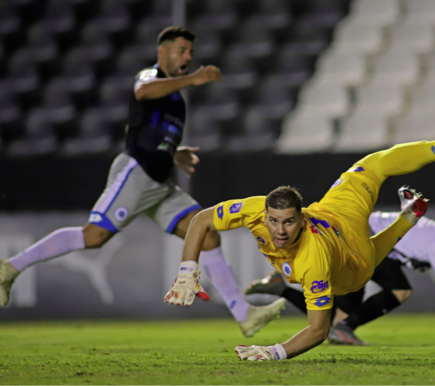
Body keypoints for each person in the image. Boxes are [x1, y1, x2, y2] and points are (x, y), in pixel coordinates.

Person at [0, 26, 285, 337]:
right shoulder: (150, 76)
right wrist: (193, 79)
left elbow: (141, 129)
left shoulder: (175, 99)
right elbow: (142, 93)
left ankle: (244, 315)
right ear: (162, 51)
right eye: (181, 50)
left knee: (208, 236)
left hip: (160, 181)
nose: (187, 56)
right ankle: (10, 268)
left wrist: (174, 154)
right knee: (94, 237)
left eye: (190, 51)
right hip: (137, 173)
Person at [164, 105, 435, 361]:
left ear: (301, 218)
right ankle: (428, 190)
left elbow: (318, 330)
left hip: (350, 260)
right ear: (264, 213)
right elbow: (202, 219)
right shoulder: (256, 209)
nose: (280, 229)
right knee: (373, 172)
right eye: (274, 220)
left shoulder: (313, 260)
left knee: (369, 237)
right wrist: (187, 269)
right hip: (334, 215)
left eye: (289, 222)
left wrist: (274, 352)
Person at [248, 206, 435, 345]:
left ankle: (284, 290)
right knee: (398, 293)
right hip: (362, 240)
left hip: (379, 247)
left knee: (335, 316)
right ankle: (343, 328)